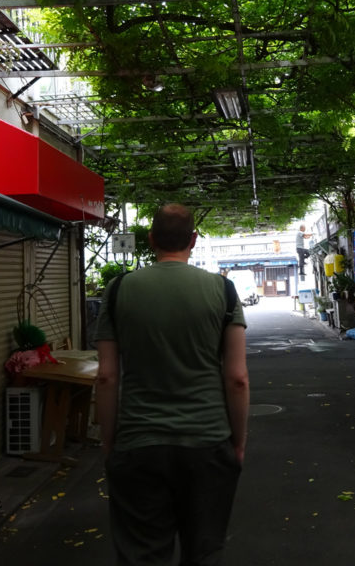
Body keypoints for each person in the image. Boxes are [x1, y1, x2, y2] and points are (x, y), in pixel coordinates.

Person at [94, 203, 250, 566]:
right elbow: (237, 378)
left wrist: (109, 443)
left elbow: (106, 375)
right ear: (193, 240)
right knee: (204, 551)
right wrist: (237, 443)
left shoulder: (118, 291)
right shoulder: (222, 290)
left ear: (151, 240)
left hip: (139, 443)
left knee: (142, 555)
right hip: (208, 442)